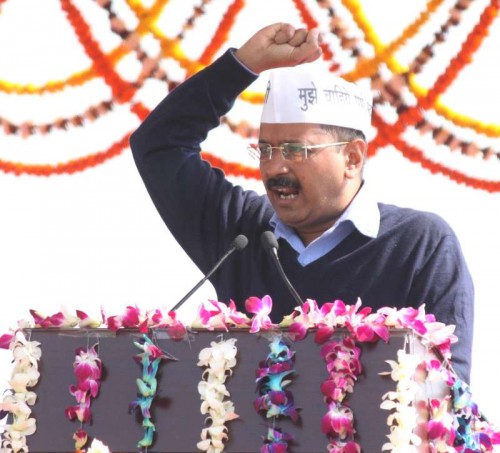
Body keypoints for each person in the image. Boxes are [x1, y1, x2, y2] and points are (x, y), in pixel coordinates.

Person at [130, 23, 474, 383]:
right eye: (265, 150)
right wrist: (242, 65)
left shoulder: (420, 245)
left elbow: (447, 392)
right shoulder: (241, 233)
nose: (275, 167)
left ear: (353, 158)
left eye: (296, 150)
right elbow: (158, 147)